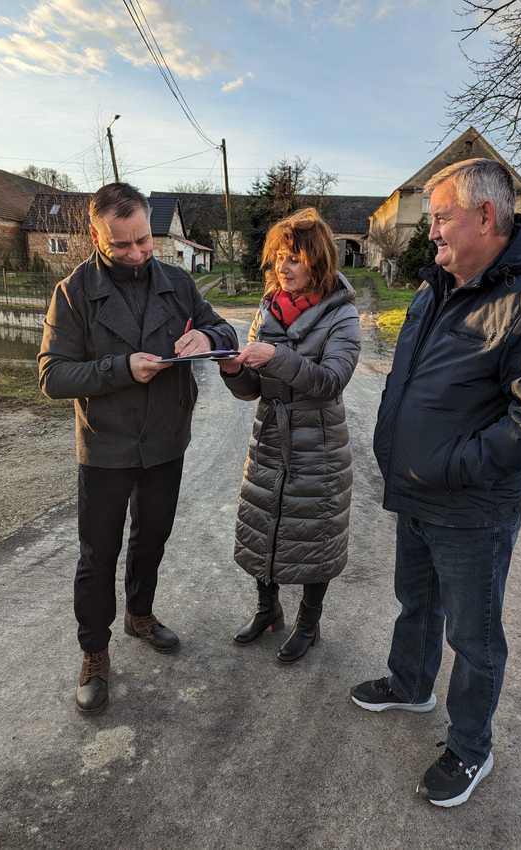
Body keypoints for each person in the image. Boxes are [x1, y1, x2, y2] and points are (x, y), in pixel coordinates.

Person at [350, 158, 521, 807]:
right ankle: (410, 683)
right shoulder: (432, 293)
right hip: (416, 494)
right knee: (416, 603)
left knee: (474, 637)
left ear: (486, 216)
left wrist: (453, 464)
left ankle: (471, 747)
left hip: (472, 508)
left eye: (442, 218)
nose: (432, 233)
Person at [38, 182, 238, 714]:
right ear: (95, 234)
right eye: (121, 244)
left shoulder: (176, 281)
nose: (136, 254)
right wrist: (121, 369)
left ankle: (140, 614)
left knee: (152, 536)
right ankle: (94, 651)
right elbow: (52, 375)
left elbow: (222, 328)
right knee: (98, 554)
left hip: (165, 440)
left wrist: (209, 340)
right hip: (105, 446)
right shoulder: (73, 292)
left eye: (144, 241)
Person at [219, 208, 361, 663]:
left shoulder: (342, 314)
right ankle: (267, 610)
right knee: (264, 525)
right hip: (268, 439)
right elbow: (252, 390)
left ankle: (308, 624)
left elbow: (331, 381)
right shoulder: (268, 308)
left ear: (317, 262)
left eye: (295, 258)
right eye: (279, 256)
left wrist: (274, 357)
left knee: (313, 532)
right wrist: (232, 369)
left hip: (317, 445)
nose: (283, 266)